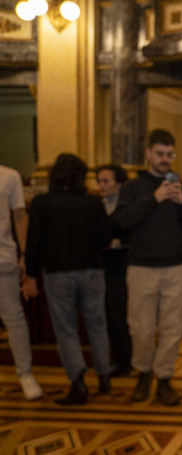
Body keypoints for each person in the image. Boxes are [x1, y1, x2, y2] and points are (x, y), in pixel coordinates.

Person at [113, 129, 182, 406]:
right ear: (149, 154)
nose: (166, 160)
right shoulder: (132, 187)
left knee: (172, 328)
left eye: (169, 155)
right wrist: (155, 198)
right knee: (140, 328)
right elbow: (122, 220)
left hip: (176, 267)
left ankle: (164, 379)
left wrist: (181, 201)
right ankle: (143, 374)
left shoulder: (179, 185)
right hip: (141, 268)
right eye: (161, 154)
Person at [23, 153, 112, 405]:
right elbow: (105, 238)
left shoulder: (42, 203)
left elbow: (33, 244)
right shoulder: (93, 203)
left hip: (58, 273)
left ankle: (78, 382)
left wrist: (30, 275)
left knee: (66, 330)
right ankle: (104, 376)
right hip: (92, 272)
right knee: (97, 324)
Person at [0, 164, 43, 401]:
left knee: (14, 319)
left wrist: (26, 254)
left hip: (3, 258)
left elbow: (19, 216)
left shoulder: (9, 176)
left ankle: (25, 374)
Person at [96, 164, 132, 378]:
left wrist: (118, 242)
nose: (101, 185)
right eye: (99, 181)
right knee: (107, 315)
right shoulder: (97, 206)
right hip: (102, 267)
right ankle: (117, 360)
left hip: (122, 267)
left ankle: (127, 360)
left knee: (121, 315)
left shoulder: (126, 206)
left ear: (118, 184)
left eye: (106, 181)